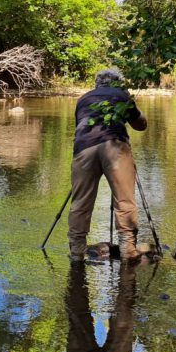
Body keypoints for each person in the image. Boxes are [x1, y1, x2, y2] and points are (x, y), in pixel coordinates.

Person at [69, 68, 147, 262]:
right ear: (118, 83)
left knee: (80, 202)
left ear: (97, 84)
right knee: (124, 200)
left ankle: (77, 252)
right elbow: (141, 125)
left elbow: (80, 127)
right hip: (115, 146)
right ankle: (128, 250)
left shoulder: (83, 99)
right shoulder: (122, 95)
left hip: (83, 149)